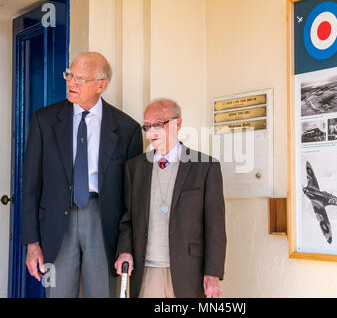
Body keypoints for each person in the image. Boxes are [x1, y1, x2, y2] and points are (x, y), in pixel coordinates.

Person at [22, 52, 143, 298]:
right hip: (56, 222)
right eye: (69, 75)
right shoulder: (44, 120)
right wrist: (32, 243)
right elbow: (31, 185)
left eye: (80, 78)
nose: (70, 83)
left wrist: (126, 245)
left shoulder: (127, 128)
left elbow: (132, 198)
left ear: (101, 85)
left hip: (103, 221)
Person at [114, 98, 226, 298]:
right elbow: (127, 219)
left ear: (178, 124)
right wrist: (124, 251)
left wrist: (213, 274)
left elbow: (215, 226)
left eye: (157, 124)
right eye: (147, 126)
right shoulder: (135, 168)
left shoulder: (205, 167)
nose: (150, 133)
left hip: (189, 272)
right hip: (147, 270)